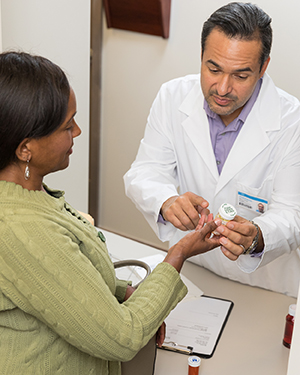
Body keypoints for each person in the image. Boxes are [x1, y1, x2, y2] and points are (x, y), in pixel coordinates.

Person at [0, 51, 222, 375]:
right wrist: (178, 254)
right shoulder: (22, 230)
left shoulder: (30, 194)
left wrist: (126, 292)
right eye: (66, 126)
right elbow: (122, 337)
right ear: (25, 149)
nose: (77, 132)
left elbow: (64, 280)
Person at [124, 2, 300, 298]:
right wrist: (167, 201)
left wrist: (256, 237)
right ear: (202, 56)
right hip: (192, 267)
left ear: (263, 67)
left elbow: (292, 214)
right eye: (213, 69)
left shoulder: (292, 121)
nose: (222, 87)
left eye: (241, 76)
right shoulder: (172, 97)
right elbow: (145, 171)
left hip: (264, 284)